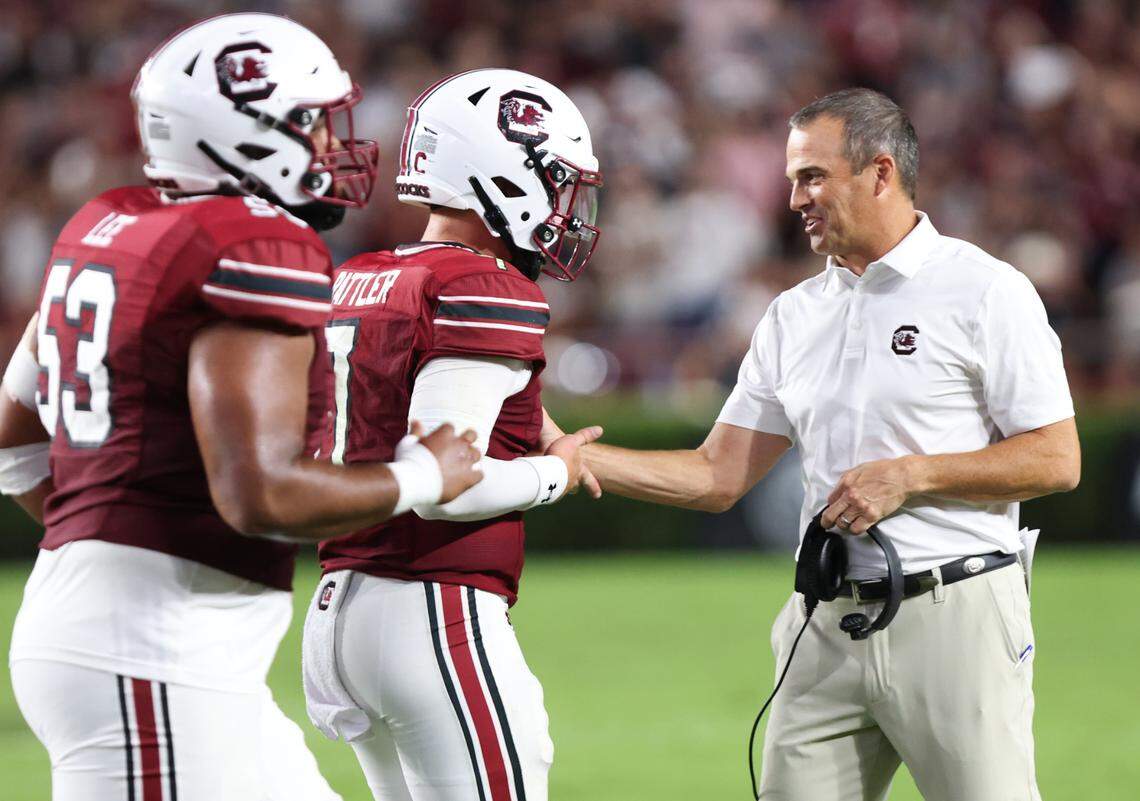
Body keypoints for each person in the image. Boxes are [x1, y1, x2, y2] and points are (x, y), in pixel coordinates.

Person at [0, 14, 483, 801]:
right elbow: (260, 493)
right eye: (312, 125)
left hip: (146, 640)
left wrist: (107, 538)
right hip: (152, 651)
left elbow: (12, 444)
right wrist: (422, 475)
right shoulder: (251, 242)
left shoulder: (108, 222)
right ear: (245, 133)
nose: (331, 148)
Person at [554, 88, 1080, 800]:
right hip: (823, 623)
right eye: (792, 179)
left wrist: (912, 474)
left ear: (881, 172)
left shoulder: (986, 291)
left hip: (954, 614)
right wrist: (577, 456)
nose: (795, 197)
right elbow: (716, 475)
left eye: (812, 176)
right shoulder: (791, 315)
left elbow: (1055, 457)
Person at [300, 68, 603, 801]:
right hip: (432, 609)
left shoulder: (362, 276)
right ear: (504, 175)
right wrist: (555, 472)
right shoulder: (482, 286)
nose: (567, 205)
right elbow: (443, 482)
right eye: (557, 180)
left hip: (337, 607)